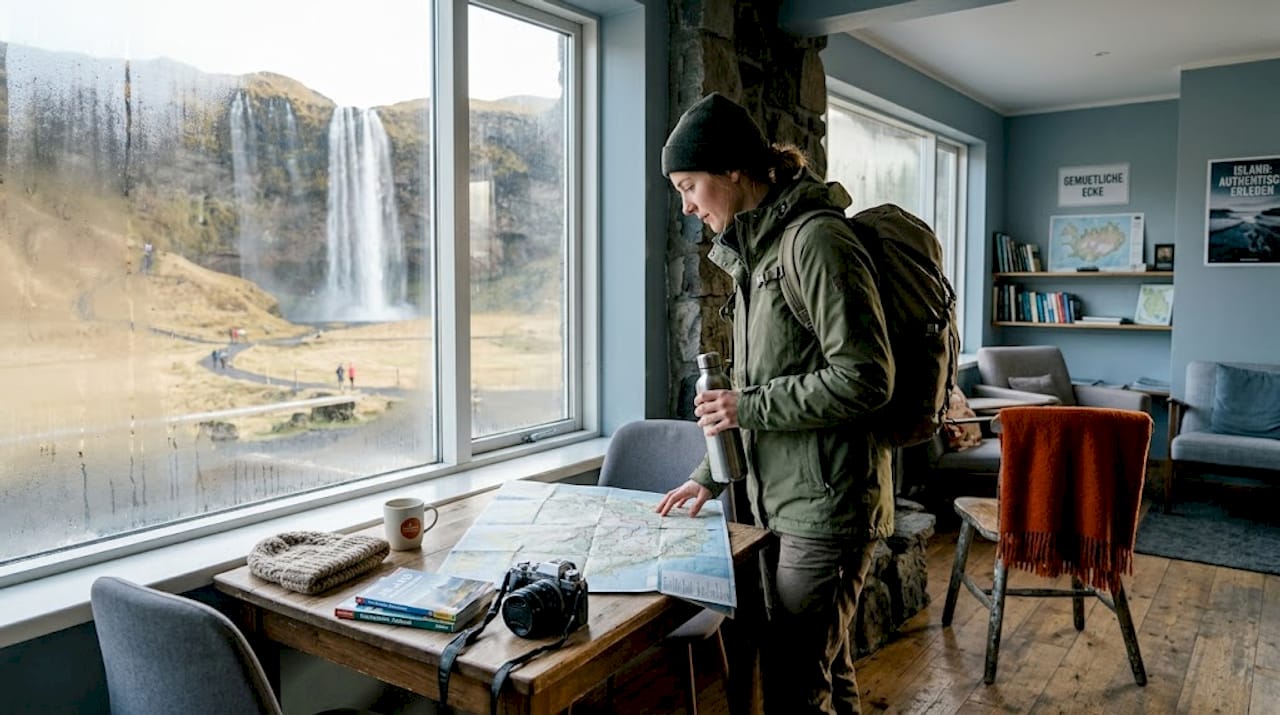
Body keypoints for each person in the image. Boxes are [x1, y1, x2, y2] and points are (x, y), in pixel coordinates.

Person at [654, 93, 895, 715]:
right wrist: (708, 475)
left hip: (829, 506)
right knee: (825, 669)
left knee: (792, 686)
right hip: (784, 499)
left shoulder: (817, 242)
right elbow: (764, 384)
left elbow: (867, 378)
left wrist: (747, 406)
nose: (686, 206)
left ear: (733, 170)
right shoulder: (757, 254)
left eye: (689, 186)